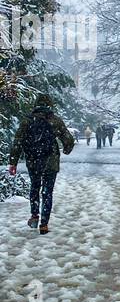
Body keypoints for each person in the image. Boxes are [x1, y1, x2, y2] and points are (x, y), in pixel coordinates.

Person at [7, 94, 75, 235]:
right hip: (51, 161)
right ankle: (44, 224)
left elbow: (18, 141)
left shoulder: (27, 120)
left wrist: (13, 163)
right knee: (47, 192)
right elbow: (68, 139)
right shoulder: (55, 120)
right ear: (50, 105)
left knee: (35, 187)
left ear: (36, 105)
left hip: (33, 161)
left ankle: (34, 216)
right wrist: (67, 150)